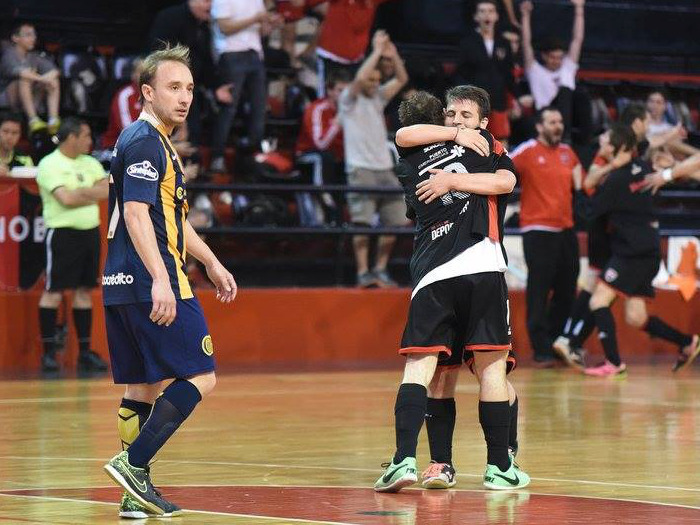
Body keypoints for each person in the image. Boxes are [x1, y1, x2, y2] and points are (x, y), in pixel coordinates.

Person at [101, 44, 237, 519]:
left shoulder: (149, 143)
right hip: (152, 280)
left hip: (119, 282)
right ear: (146, 93)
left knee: (142, 386)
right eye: (173, 88)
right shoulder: (145, 141)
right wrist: (161, 276)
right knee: (201, 375)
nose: (184, 98)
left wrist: (212, 261)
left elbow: (172, 221)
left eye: (190, 89)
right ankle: (134, 465)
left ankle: (131, 495)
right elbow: (137, 214)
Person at [374, 86, 530, 493]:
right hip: (461, 269)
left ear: (482, 121)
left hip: (450, 268)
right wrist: (455, 138)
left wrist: (446, 181)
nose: (458, 121)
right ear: (440, 117)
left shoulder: (476, 146)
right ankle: (466, 464)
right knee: (462, 371)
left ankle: (422, 460)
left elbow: (506, 181)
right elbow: (405, 135)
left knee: (450, 370)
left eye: (466, 115)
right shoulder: (453, 144)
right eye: (452, 114)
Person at [584, 124, 699, 377]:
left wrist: (598, 176)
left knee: (598, 300)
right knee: (636, 317)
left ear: (620, 148)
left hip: (631, 252)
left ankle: (613, 363)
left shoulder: (615, 180)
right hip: (648, 249)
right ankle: (686, 342)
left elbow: (588, 206)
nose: (602, 147)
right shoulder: (643, 169)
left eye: (606, 143)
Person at [510, 107, 583, 366]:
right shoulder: (527, 150)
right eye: (552, 121)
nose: (558, 126)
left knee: (566, 289)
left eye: (560, 121)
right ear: (539, 127)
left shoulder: (568, 153)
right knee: (539, 290)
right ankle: (540, 347)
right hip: (537, 230)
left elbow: (581, 185)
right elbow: (503, 167)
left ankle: (554, 340)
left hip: (566, 229)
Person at [36, 118, 109, 373]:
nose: (91, 141)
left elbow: (108, 190)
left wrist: (80, 192)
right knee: (54, 291)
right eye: (87, 136)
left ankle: (85, 353)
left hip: (89, 233)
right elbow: (64, 198)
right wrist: (90, 191)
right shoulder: (49, 164)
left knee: (84, 291)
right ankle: (48, 355)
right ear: (71, 137)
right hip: (62, 233)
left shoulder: (90, 162)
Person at [338, 30, 408, 287]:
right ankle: (362, 272)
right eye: (371, 79)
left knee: (396, 221)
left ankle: (379, 270)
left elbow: (402, 78)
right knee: (362, 223)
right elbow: (358, 78)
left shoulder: (378, 97)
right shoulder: (349, 99)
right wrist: (377, 51)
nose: (374, 83)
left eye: (377, 79)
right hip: (361, 169)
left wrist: (393, 54)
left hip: (385, 169)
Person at [209, 0, 283, 171]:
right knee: (229, 107)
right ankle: (217, 157)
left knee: (259, 107)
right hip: (231, 53)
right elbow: (224, 27)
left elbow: (261, 30)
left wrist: (271, 25)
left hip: (255, 53)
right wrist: (254, 19)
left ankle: (253, 155)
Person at [149, 0, 233, 148]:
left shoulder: (203, 26)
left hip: (188, 88)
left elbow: (206, 60)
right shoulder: (170, 17)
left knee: (193, 131)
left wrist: (216, 86)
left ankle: (189, 167)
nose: (210, 7)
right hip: (167, 87)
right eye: (206, 1)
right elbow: (157, 53)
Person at [520, 0, 588, 142]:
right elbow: (526, 43)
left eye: (560, 58)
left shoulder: (566, 69)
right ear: (544, 56)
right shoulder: (535, 71)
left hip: (564, 122)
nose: (556, 61)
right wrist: (525, 16)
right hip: (542, 120)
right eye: (552, 57)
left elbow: (577, 39)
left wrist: (579, 8)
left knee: (569, 91)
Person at [455, 0, 515, 145]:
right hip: (476, 102)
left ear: (496, 16)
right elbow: (461, 73)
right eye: (482, 11)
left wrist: (516, 99)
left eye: (490, 11)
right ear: (476, 17)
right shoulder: (467, 42)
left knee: (501, 142)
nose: (487, 15)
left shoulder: (503, 43)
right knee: (476, 139)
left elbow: (508, 74)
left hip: (499, 101)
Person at [295, 71, 349, 225]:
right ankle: (327, 202)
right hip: (308, 155)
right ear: (330, 91)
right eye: (340, 90)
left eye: (347, 91)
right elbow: (320, 144)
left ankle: (340, 219)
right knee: (324, 157)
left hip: (337, 160)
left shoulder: (350, 110)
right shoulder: (318, 108)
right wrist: (337, 123)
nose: (344, 95)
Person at [0, 22, 60, 135]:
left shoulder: (34, 56)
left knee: (53, 81)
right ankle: (33, 120)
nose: (33, 38)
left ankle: (53, 120)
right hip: (9, 99)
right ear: (15, 38)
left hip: (31, 99)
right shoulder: (9, 54)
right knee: (25, 79)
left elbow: (55, 71)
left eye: (34, 35)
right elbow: (23, 73)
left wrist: (47, 78)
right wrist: (43, 79)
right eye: (28, 35)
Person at [102, 59, 143, 149]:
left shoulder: (156, 94)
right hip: (117, 147)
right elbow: (128, 131)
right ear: (133, 75)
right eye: (141, 71)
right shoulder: (125, 95)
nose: (146, 75)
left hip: (148, 144)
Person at [0, 112, 33, 176]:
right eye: (5, 131)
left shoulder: (25, 159)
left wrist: (9, 175)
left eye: (15, 133)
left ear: (20, 135)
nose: (9, 137)